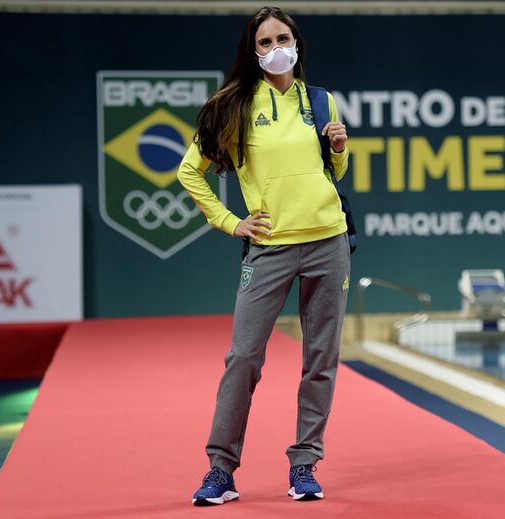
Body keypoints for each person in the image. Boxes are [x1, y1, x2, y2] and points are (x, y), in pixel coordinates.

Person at [176, 5, 350, 507]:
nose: (277, 49)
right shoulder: (235, 107)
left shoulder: (320, 101)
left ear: (298, 43)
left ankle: (304, 465)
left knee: (321, 359)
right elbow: (192, 171)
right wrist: (231, 222)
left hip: (328, 242)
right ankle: (220, 471)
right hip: (269, 247)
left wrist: (338, 149)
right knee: (244, 359)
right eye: (265, 42)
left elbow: (333, 176)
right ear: (252, 52)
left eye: (283, 38)